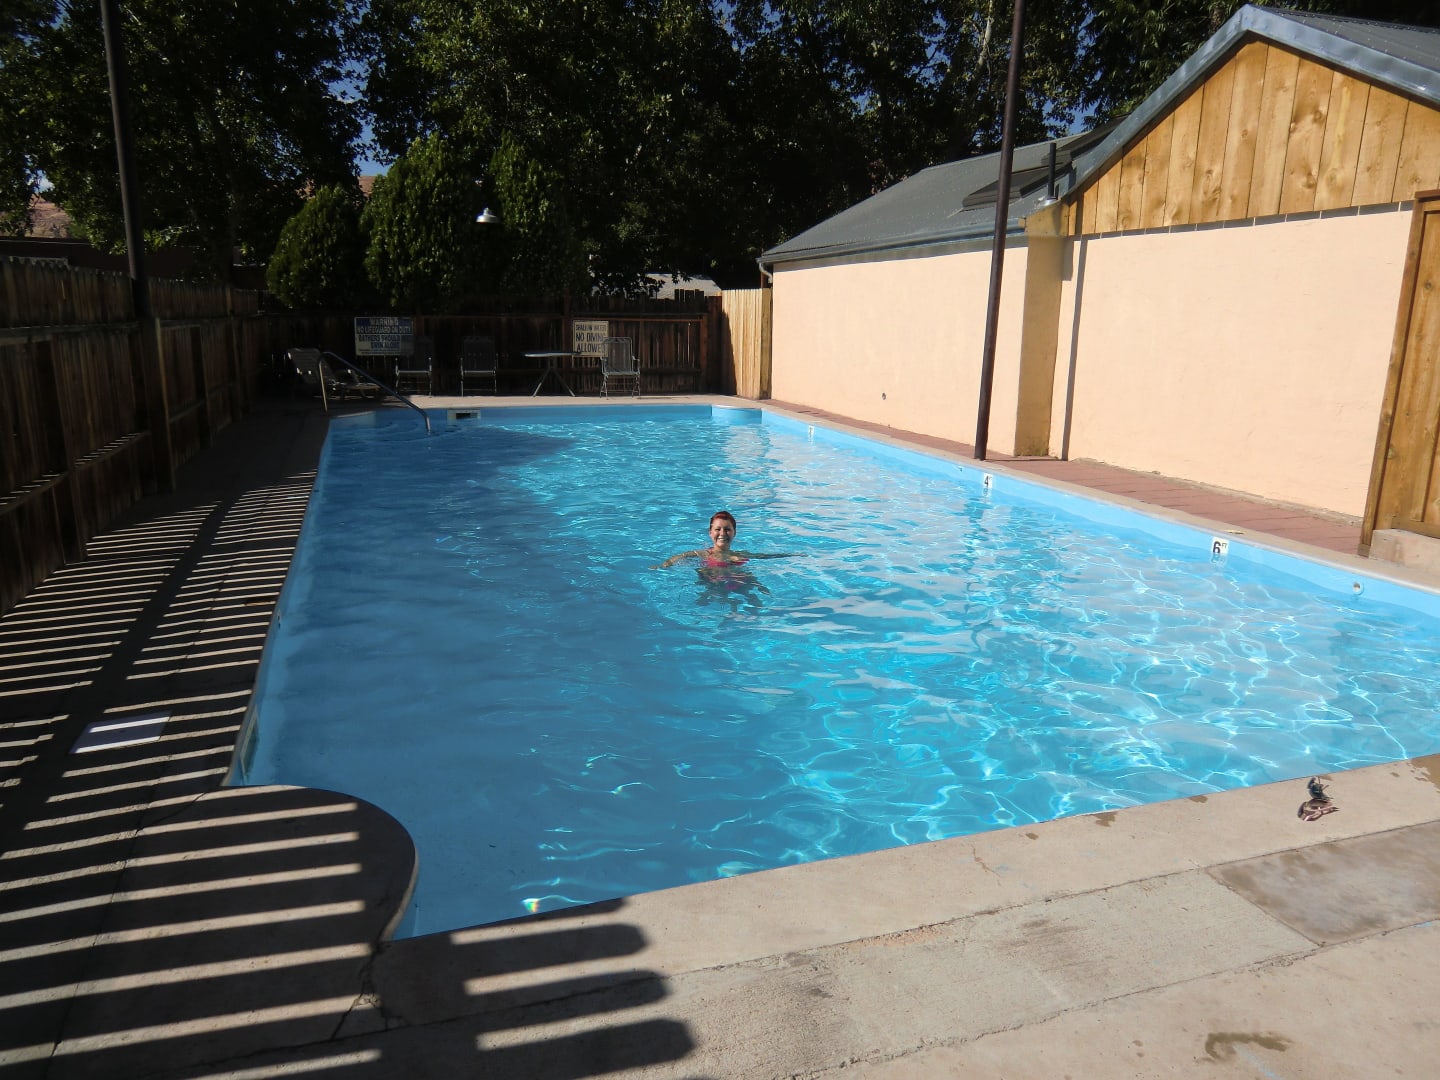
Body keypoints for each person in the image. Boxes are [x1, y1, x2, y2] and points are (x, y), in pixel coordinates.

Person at [652, 511, 797, 574]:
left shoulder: (740, 555)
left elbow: (764, 556)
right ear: (710, 533)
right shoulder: (704, 554)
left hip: (735, 582)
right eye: (718, 529)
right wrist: (663, 565)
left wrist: (791, 555)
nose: (722, 534)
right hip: (712, 583)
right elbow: (681, 556)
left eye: (727, 529)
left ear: (734, 533)